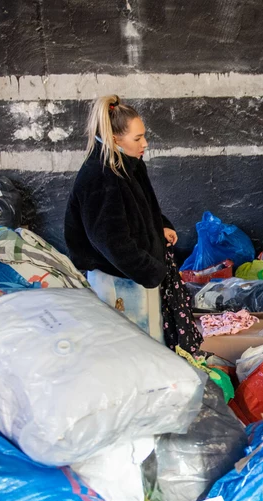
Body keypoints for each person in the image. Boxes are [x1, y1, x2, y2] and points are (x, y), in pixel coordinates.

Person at [65, 95, 202, 354]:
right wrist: (151, 271)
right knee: (131, 351)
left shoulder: (127, 164)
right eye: (137, 139)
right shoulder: (101, 176)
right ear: (116, 139)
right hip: (119, 280)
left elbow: (143, 206)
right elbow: (111, 241)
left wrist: (160, 226)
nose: (145, 144)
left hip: (136, 276)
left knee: (148, 344)